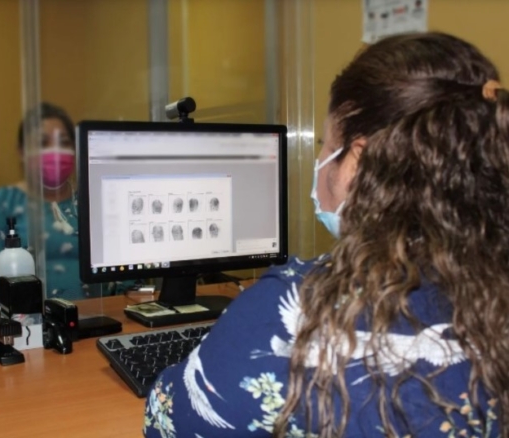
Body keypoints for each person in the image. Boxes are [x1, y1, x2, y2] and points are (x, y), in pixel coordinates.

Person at [143, 32, 508, 437]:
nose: (319, 161)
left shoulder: (296, 312)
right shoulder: (492, 293)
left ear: (357, 162)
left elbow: (167, 422)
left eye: (324, 145)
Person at [0, 102, 136, 310]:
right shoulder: (2, 203)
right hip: (29, 322)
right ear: (22, 152)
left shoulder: (95, 200)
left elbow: (127, 273)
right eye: (42, 142)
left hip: (102, 316)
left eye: (63, 142)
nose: (55, 151)